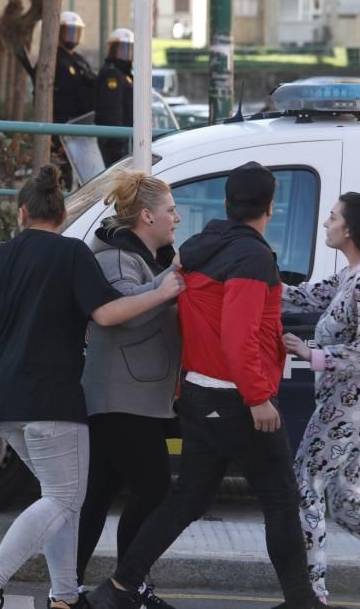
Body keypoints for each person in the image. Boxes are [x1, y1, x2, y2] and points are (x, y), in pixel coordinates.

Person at [88, 163, 338, 609]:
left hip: (197, 394)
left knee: (187, 499)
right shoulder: (252, 257)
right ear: (271, 207)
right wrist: (258, 397)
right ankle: (302, 601)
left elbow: (216, 317)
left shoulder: (197, 249)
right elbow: (237, 334)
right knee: (281, 499)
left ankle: (120, 588)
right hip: (237, 397)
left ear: (227, 203)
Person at [0, 165, 185, 609]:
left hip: (4, 402)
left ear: (22, 213)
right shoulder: (72, 255)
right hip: (54, 399)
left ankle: (64, 597)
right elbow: (108, 315)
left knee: (66, 503)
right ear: (61, 212)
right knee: (63, 499)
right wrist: (163, 290)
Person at [282, 193, 360, 604]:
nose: (326, 223)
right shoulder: (351, 276)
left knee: (304, 484)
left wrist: (310, 353)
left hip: (353, 405)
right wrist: (251, 278)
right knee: (346, 503)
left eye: (332, 217)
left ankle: (310, 594)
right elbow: (303, 297)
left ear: (349, 228)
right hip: (354, 404)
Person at [76, 171, 182, 609]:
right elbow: (122, 313)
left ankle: (68, 590)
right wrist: (169, 282)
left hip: (136, 396)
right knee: (154, 490)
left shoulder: (148, 255)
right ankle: (127, 586)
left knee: (98, 495)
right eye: (171, 210)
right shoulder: (115, 258)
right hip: (119, 396)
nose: (177, 217)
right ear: (146, 216)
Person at [95, 28, 134, 167]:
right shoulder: (111, 73)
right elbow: (112, 109)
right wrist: (118, 140)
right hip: (117, 140)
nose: (124, 54)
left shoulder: (125, 75)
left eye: (128, 49)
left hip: (127, 137)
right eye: (120, 49)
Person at [53, 11, 96, 125]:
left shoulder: (79, 59)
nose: (72, 37)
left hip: (81, 119)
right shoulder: (53, 58)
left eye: (75, 32)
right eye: (67, 32)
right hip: (62, 119)